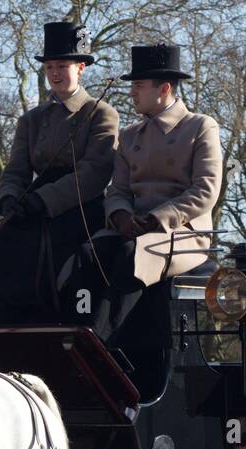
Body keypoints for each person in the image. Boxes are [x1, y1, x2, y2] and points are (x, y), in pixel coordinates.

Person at [0, 21, 118, 324]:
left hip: (78, 208)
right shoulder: (31, 120)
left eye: (62, 66)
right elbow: (17, 168)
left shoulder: (100, 113)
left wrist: (43, 201)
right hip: (30, 206)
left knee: (48, 258)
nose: (55, 74)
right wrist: (8, 199)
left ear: (81, 67)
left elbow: (94, 173)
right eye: (50, 68)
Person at [84, 43, 223, 387]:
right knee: (87, 253)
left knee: (134, 255)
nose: (132, 93)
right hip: (132, 227)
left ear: (163, 89)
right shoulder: (129, 136)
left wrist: (157, 219)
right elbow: (117, 190)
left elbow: (206, 189)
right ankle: (69, 338)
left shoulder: (200, 127)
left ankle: (98, 346)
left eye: (139, 86)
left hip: (184, 233)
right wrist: (120, 216)